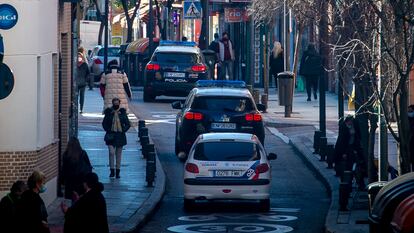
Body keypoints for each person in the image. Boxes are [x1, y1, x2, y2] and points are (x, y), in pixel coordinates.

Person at [334, 115, 366, 190]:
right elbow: (342, 141)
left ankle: (360, 183)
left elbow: (357, 136)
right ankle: (348, 184)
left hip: (353, 148)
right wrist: (344, 153)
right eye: (349, 121)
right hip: (345, 149)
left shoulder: (354, 125)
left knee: (359, 165)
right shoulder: (343, 127)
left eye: (351, 121)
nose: (350, 123)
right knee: (348, 167)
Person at [102, 98, 131, 178]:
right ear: (112, 104)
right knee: (111, 153)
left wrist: (123, 130)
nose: (116, 105)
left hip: (120, 136)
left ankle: (117, 172)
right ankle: (112, 170)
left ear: (119, 103)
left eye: (117, 103)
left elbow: (128, 124)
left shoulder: (122, 113)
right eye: (114, 103)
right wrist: (108, 130)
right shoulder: (108, 113)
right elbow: (104, 123)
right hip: (111, 136)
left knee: (118, 154)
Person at [77, 47, 90, 113]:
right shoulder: (74, 65)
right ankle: (76, 108)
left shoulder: (85, 65)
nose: (79, 58)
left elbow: (88, 73)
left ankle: (81, 108)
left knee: (82, 96)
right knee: (75, 96)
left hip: (82, 83)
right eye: (78, 57)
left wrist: (86, 80)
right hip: (75, 83)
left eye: (80, 56)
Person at [408, 105, 414, 170]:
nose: (409, 112)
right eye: (408, 111)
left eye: (411, 111)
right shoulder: (406, 119)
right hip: (409, 142)